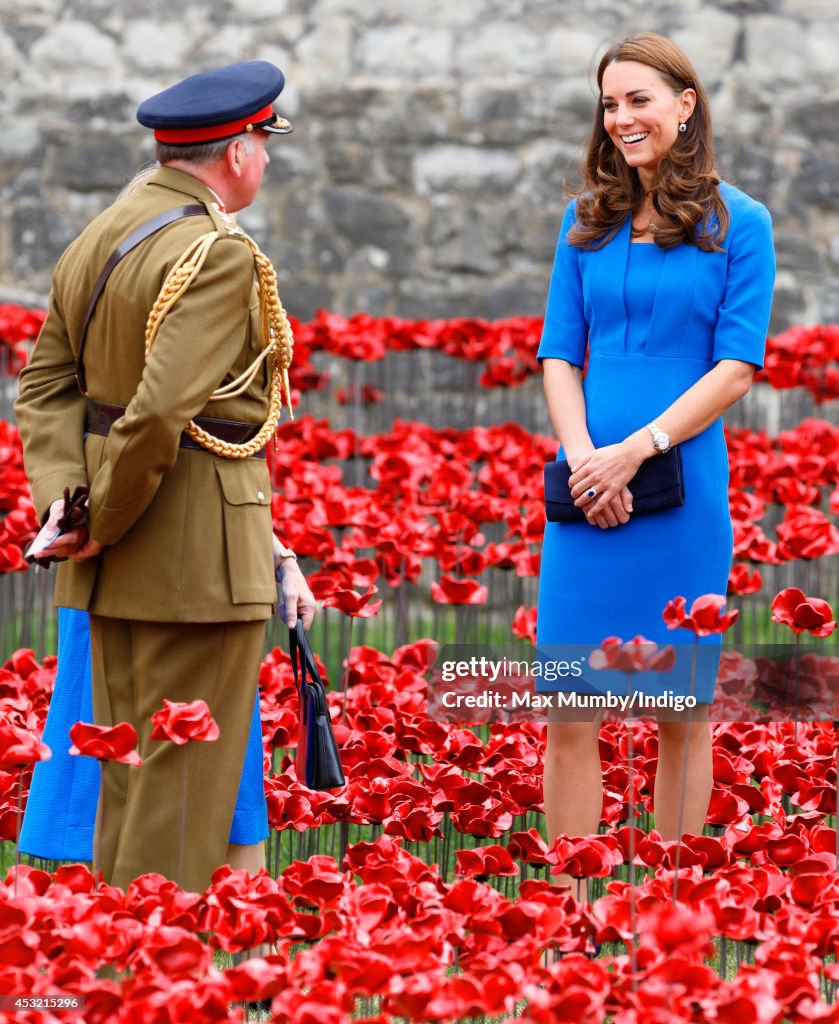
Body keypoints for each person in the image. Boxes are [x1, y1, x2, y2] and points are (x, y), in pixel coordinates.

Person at [15, 61, 316, 893]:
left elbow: (43, 391)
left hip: (108, 560)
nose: (263, 158)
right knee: (179, 791)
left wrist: (69, 511)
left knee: (128, 779)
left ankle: (118, 967)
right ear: (239, 153)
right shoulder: (215, 254)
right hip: (192, 559)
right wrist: (101, 520)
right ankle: (154, 978)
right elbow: (156, 417)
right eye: (262, 142)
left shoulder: (100, 234)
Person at [535, 33, 775, 892]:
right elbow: (560, 353)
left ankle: (670, 908)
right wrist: (582, 461)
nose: (622, 118)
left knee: (680, 710)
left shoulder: (739, 223)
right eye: (609, 104)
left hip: (680, 493)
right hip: (585, 491)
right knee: (571, 707)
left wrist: (636, 451)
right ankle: (563, 915)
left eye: (639, 99)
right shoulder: (583, 221)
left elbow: (737, 363)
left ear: (685, 103)